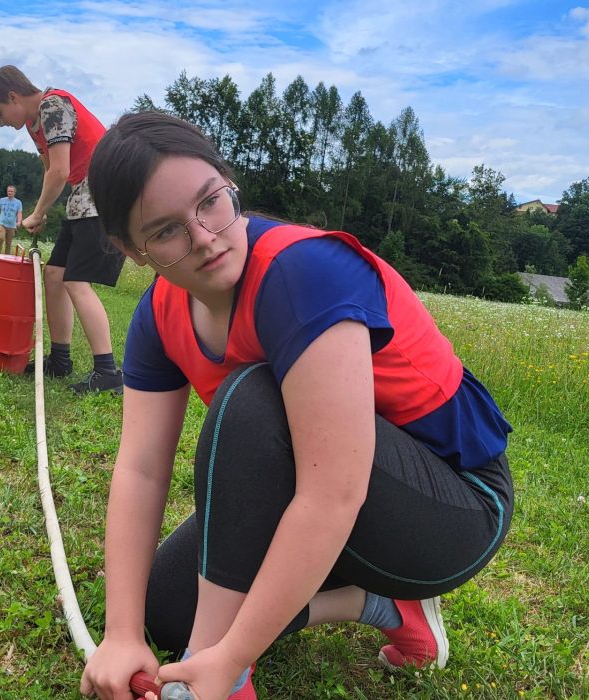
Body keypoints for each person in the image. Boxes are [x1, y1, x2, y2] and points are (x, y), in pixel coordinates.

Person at [79, 112, 514, 700]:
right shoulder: (158, 315)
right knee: (165, 607)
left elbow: (333, 492)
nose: (204, 237)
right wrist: (122, 633)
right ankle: (382, 606)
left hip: (453, 511)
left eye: (210, 201)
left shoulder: (304, 272)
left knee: (253, 398)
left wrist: (226, 659)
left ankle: (225, 677)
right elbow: (141, 469)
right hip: (335, 498)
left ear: (230, 183)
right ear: (131, 250)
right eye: (166, 231)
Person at [0, 65, 126, 394]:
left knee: (76, 280)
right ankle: (59, 360)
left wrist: (38, 212)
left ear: (13, 97)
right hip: (82, 197)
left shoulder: (53, 105)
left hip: (103, 194)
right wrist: (41, 212)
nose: (1, 123)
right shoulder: (35, 124)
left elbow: (60, 170)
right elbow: (49, 168)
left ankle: (107, 371)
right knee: (55, 275)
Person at [0, 184, 23, 255]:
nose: (10, 193)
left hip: (12, 226)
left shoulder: (18, 202)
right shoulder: (2, 200)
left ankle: (6, 257)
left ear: (14, 192)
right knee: (1, 238)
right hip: (2, 224)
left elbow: (19, 213)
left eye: (11, 191)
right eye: (8, 191)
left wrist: (19, 222)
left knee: (8, 243)